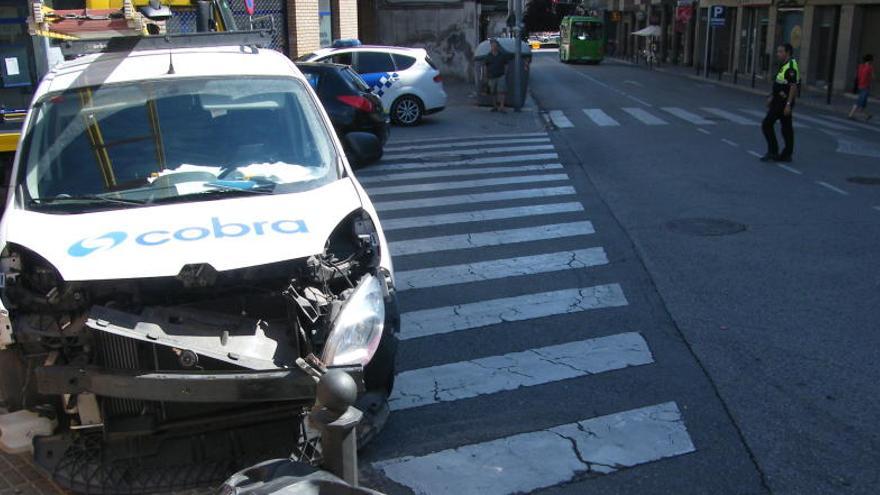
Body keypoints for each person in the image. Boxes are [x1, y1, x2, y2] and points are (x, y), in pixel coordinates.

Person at [761, 43, 799, 163]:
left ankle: (773, 152)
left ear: (787, 53)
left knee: (767, 124)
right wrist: (772, 96)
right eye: (778, 51)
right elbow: (780, 83)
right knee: (786, 128)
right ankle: (787, 154)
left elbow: (793, 87)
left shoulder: (792, 66)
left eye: (780, 51)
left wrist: (788, 104)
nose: (778, 54)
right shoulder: (784, 64)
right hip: (778, 100)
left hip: (783, 102)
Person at [483, 38, 513, 113]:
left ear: (497, 46)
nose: (494, 47)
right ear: (491, 47)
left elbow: (506, 65)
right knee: (493, 92)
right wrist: (485, 76)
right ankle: (495, 106)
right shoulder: (488, 56)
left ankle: (501, 107)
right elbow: (485, 66)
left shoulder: (502, 55)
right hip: (491, 76)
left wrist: (505, 73)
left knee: (502, 91)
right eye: (492, 45)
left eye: (495, 45)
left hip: (501, 75)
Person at [849, 54, 874, 121]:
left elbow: (858, 76)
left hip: (860, 85)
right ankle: (851, 115)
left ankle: (867, 115)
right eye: (872, 60)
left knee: (863, 103)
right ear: (870, 60)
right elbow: (872, 77)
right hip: (865, 87)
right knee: (859, 102)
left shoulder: (860, 66)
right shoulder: (869, 68)